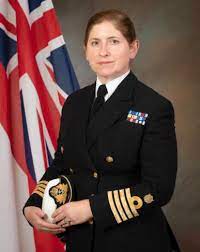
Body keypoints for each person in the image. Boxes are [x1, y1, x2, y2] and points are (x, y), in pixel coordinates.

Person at [23, 9, 180, 252]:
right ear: (85, 50)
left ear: (133, 48)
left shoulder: (154, 106)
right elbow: (63, 164)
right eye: (95, 43)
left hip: (133, 240)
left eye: (114, 42)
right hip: (83, 240)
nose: (103, 52)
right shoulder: (74, 103)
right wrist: (34, 202)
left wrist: (91, 208)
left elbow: (158, 189)